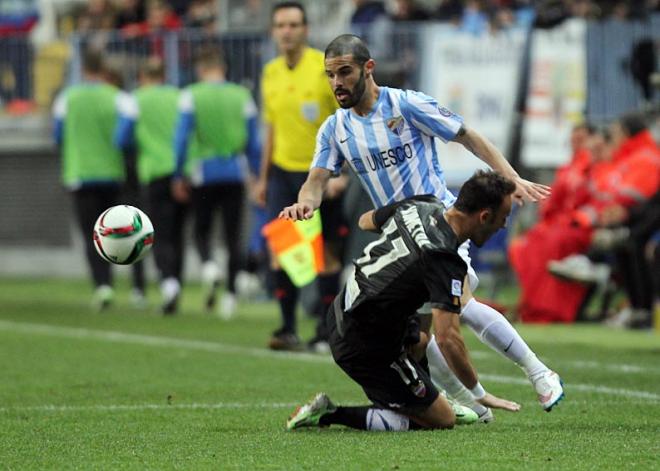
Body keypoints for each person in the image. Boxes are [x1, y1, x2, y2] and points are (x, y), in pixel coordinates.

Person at [280, 34, 564, 412]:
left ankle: (539, 373)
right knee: (419, 334)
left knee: (458, 302)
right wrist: (305, 204)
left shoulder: (406, 104)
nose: (336, 83)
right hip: (399, 237)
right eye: (330, 75)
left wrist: (512, 179)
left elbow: (468, 136)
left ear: (368, 69)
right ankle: (471, 406)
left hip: (443, 223)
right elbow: (316, 180)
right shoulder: (335, 129)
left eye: (344, 72)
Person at [286, 171, 519, 431]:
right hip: (360, 341)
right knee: (442, 419)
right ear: (484, 216)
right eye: (504, 217)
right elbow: (448, 338)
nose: (504, 225)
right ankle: (329, 413)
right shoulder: (444, 259)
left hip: (347, 306)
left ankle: (419, 397)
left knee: (419, 339)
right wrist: (478, 393)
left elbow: (366, 221)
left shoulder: (422, 204)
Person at [255, 2, 346, 351]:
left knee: (326, 254)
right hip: (281, 172)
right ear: (273, 31)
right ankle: (287, 328)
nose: (287, 31)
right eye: (281, 25)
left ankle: (326, 332)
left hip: (320, 175)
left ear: (305, 29)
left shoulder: (322, 70)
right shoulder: (270, 73)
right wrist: (263, 178)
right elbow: (271, 128)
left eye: (293, 24)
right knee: (282, 250)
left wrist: (342, 174)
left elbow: (345, 123)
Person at [172, 46, 259, 319]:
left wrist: (177, 173)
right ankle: (231, 297)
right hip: (234, 171)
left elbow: (180, 139)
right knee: (234, 235)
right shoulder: (242, 96)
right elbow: (254, 142)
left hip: (203, 172)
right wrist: (255, 175)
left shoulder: (191, 95)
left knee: (202, 229)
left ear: (201, 70)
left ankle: (209, 266)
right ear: (223, 69)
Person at [52, 49, 131, 311]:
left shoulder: (67, 99)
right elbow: (124, 135)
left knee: (90, 234)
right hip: (111, 173)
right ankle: (123, 283)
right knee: (111, 232)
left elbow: (58, 134)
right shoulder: (119, 98)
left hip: (80, 173)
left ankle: (102, 286)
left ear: (82, 70)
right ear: (103, 70)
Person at [115, 57, 186, 315]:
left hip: (154, 172)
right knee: (178, 233)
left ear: (143, 77)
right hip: (181, 172)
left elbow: (121, 137)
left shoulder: (136, 100)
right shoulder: (179, 97)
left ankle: (168, 283)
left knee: (158, 233)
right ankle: (176, 281)